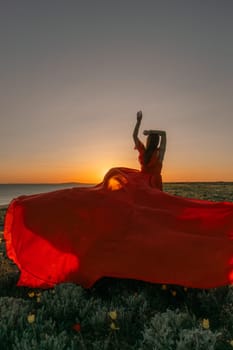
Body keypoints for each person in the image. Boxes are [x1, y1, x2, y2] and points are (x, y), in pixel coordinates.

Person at [133, 110, 166, 190]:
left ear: (148, 141)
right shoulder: (159, 153)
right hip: (155, 184)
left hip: (143, 185)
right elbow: (163, 133)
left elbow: (134, 136)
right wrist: (150, 132)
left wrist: (138, 121)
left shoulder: (143, 152)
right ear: (157, 142)